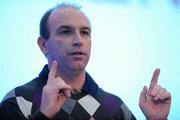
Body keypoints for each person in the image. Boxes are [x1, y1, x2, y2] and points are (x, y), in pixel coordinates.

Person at [0, 3, 171, 120]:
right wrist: (44, 115)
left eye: (85, 32)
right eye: (65, 32)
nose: (78, 41)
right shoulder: (18, 101)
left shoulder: (115, 106)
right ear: (44, 45)